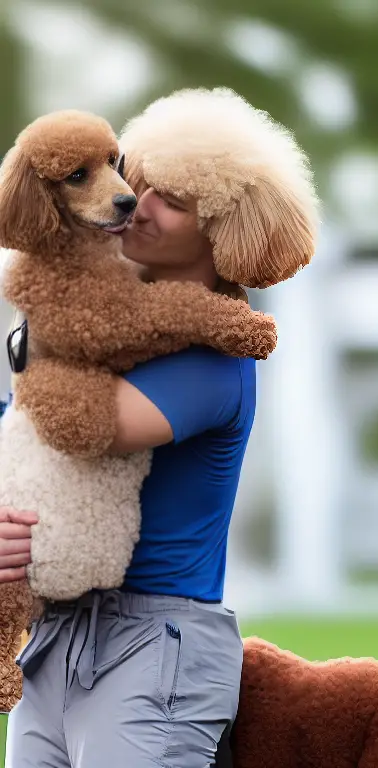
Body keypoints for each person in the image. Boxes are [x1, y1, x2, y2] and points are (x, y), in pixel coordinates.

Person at [0, 87, 318, 766]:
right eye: (133, 178)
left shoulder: (214, 357)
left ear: (223, 229)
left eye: (171, 200)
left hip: (152, 648)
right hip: (55, 632)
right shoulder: (94, 329)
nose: (132, 202)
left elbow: (82, 426)